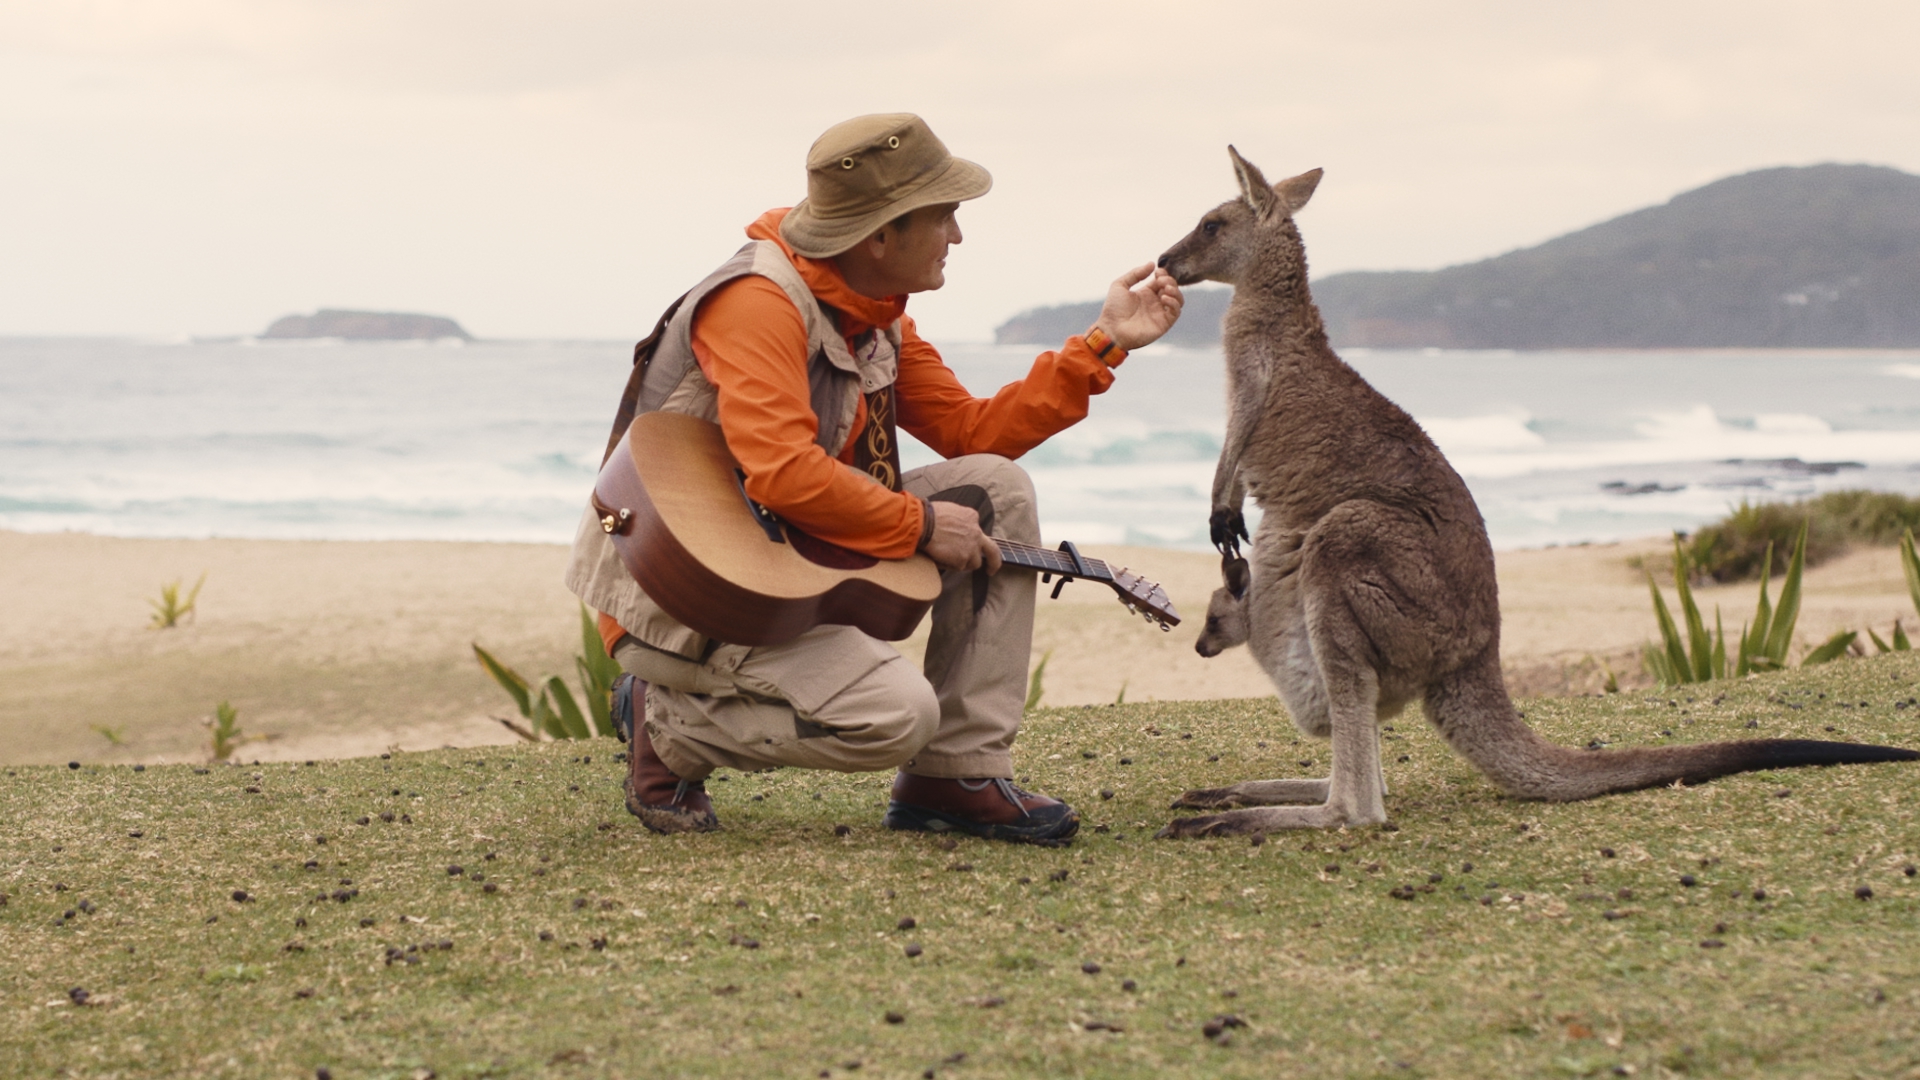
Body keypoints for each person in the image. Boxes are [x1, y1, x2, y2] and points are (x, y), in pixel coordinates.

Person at [566, 113, 1182, 845]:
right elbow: (784, 473)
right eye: (944, 216)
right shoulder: (756, 304)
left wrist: (1104, 344)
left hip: (785, 558)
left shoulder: (872, 310)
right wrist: (921, 525)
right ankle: (666, 724)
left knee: (995, 488)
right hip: (690, 600)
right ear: (881, 235)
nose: (958, 235)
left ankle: (954, 775)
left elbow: (972, 432)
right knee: (896, 716)